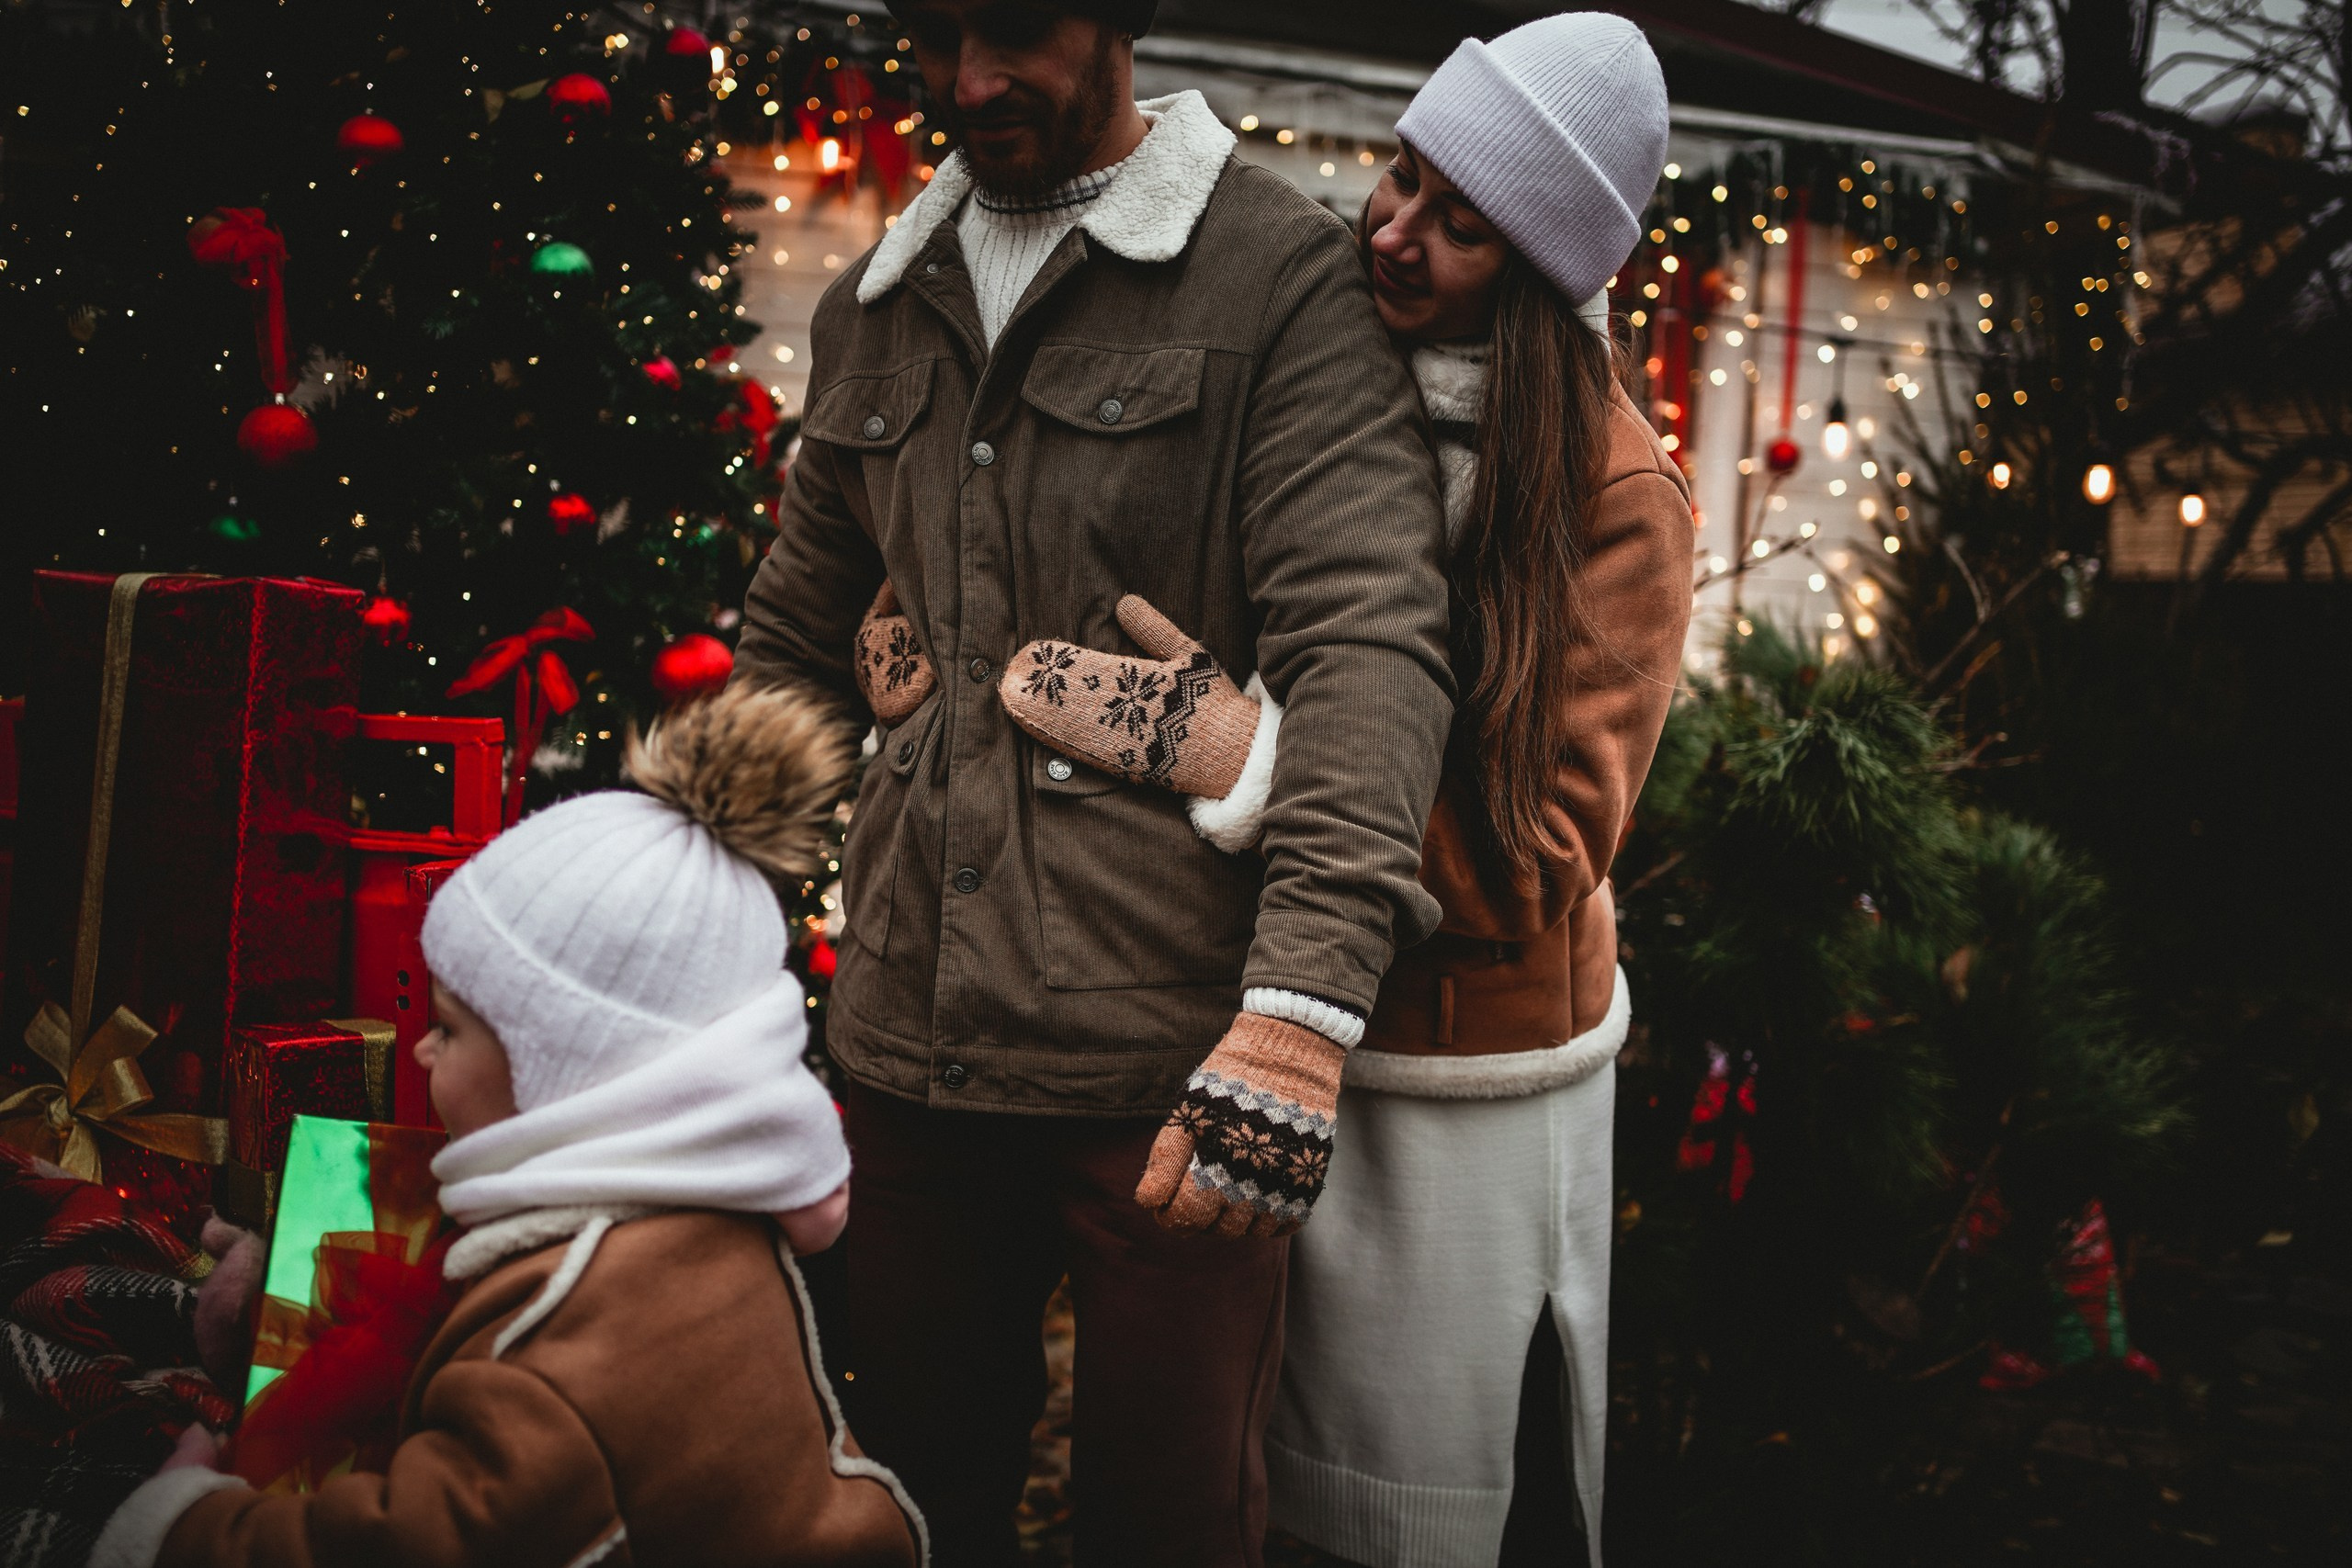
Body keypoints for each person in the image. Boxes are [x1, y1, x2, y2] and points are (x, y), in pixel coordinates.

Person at [734, 0, 1454, 1561]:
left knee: (1171, 1521)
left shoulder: (1280, 280)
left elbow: (1368, 649)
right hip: (903, 1055)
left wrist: (1299, 1015)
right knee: (900, 1504)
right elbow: (795, 637)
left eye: (1012, 33)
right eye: (933, 39)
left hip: (1173, 1081)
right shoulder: (882, 296)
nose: (968, 82)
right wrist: (707, 918)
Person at [996, 15, 1693, 1566]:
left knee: (1410, 1483)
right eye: (1403, 179)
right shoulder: (1327, 365)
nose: (1395, 231)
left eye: (1464, 224)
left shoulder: (1607, 487)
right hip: (1262, 1005)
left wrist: (1252, 766)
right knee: (1255, 1462)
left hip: (1460, 1077)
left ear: (1540, 265)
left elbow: (1541, 857)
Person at [89, 685, 926, 1568]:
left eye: (449, 1028)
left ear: (565, 1074)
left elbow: (414, 1547)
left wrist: (181, 1526)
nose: (416, 1048)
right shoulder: (696, 1228)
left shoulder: (560, 1352)